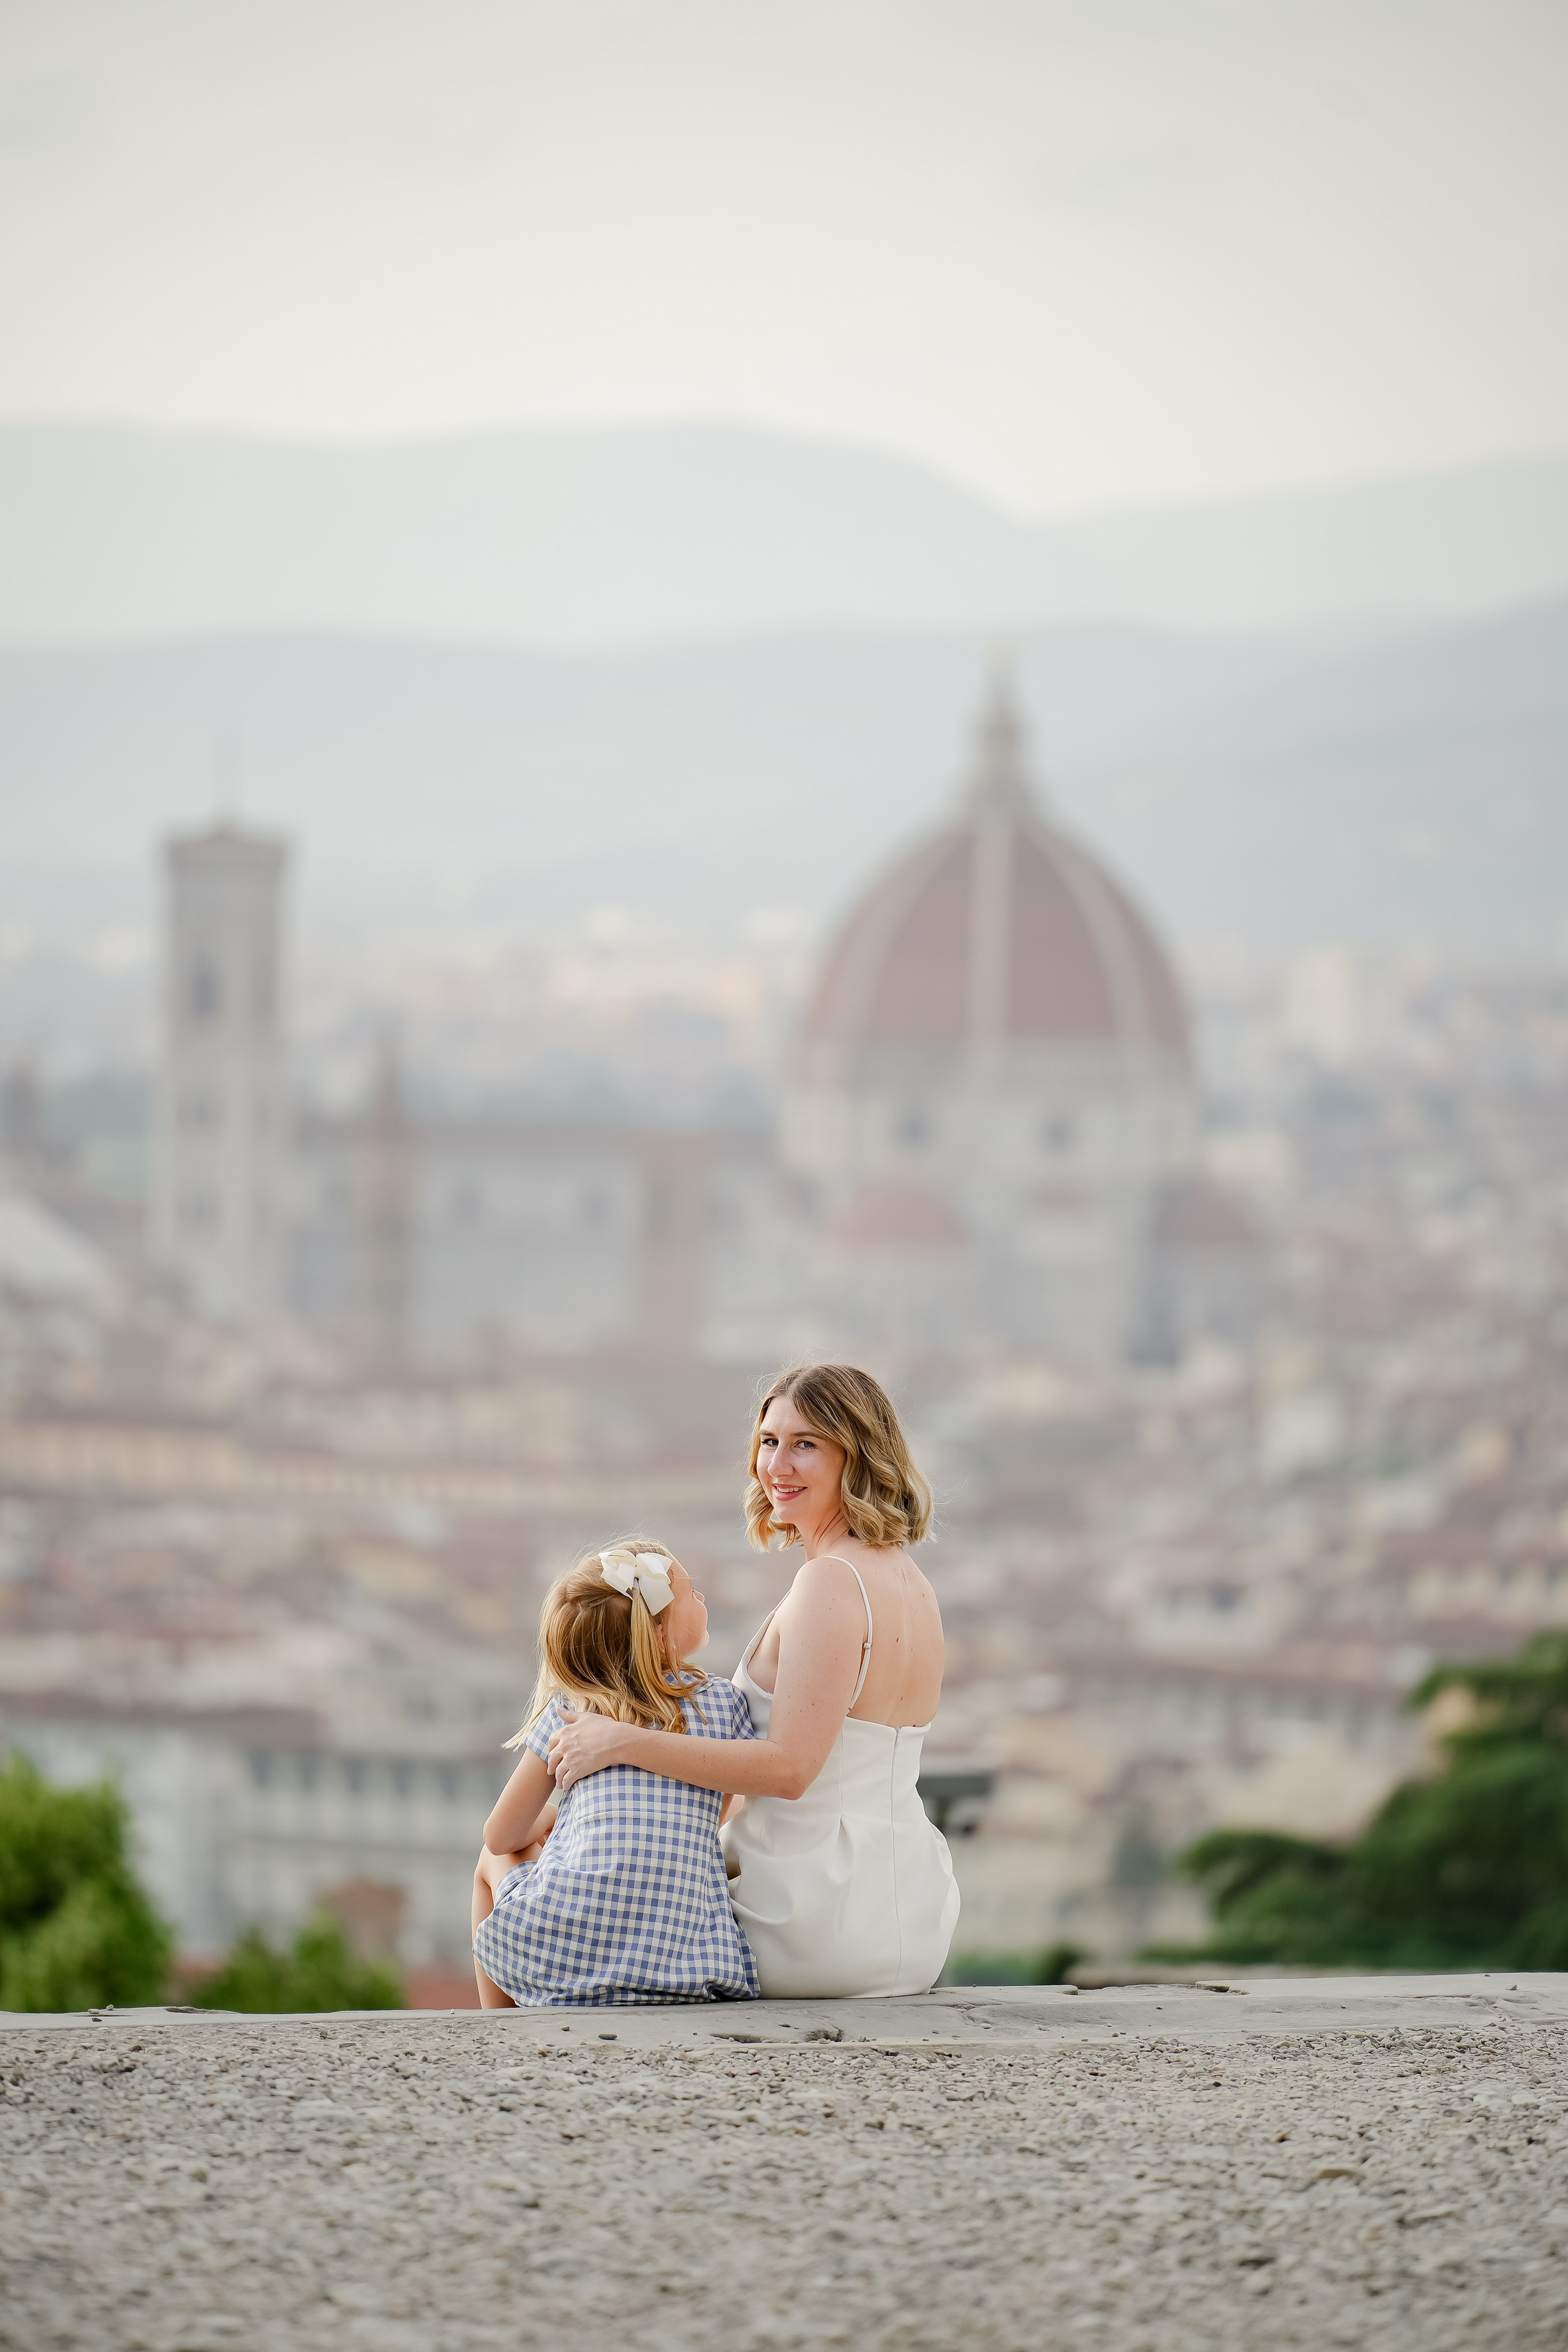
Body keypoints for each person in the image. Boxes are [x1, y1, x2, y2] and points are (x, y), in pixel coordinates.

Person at [548, 1365, 960, 1997]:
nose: (777, 1466)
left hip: (808, 1919)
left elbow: (790, 1768)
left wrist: (618, 1743)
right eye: (769, 1441)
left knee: (521, 1868)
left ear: (857, 1453)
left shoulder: (830, 1583)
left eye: (806, 1444)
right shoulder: (910, 1582)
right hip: (908, 1919)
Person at [472, 1539, 759, 2008]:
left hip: (572, 1958)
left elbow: (502, 1835)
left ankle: (499, 2023)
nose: (703, 1599)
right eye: (692, 1594)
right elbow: (722, 1810)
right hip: (685, 1967)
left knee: (489, 1859)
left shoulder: (569, 1711)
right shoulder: (723, 1705)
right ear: (661, 1633)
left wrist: (548, 1820)